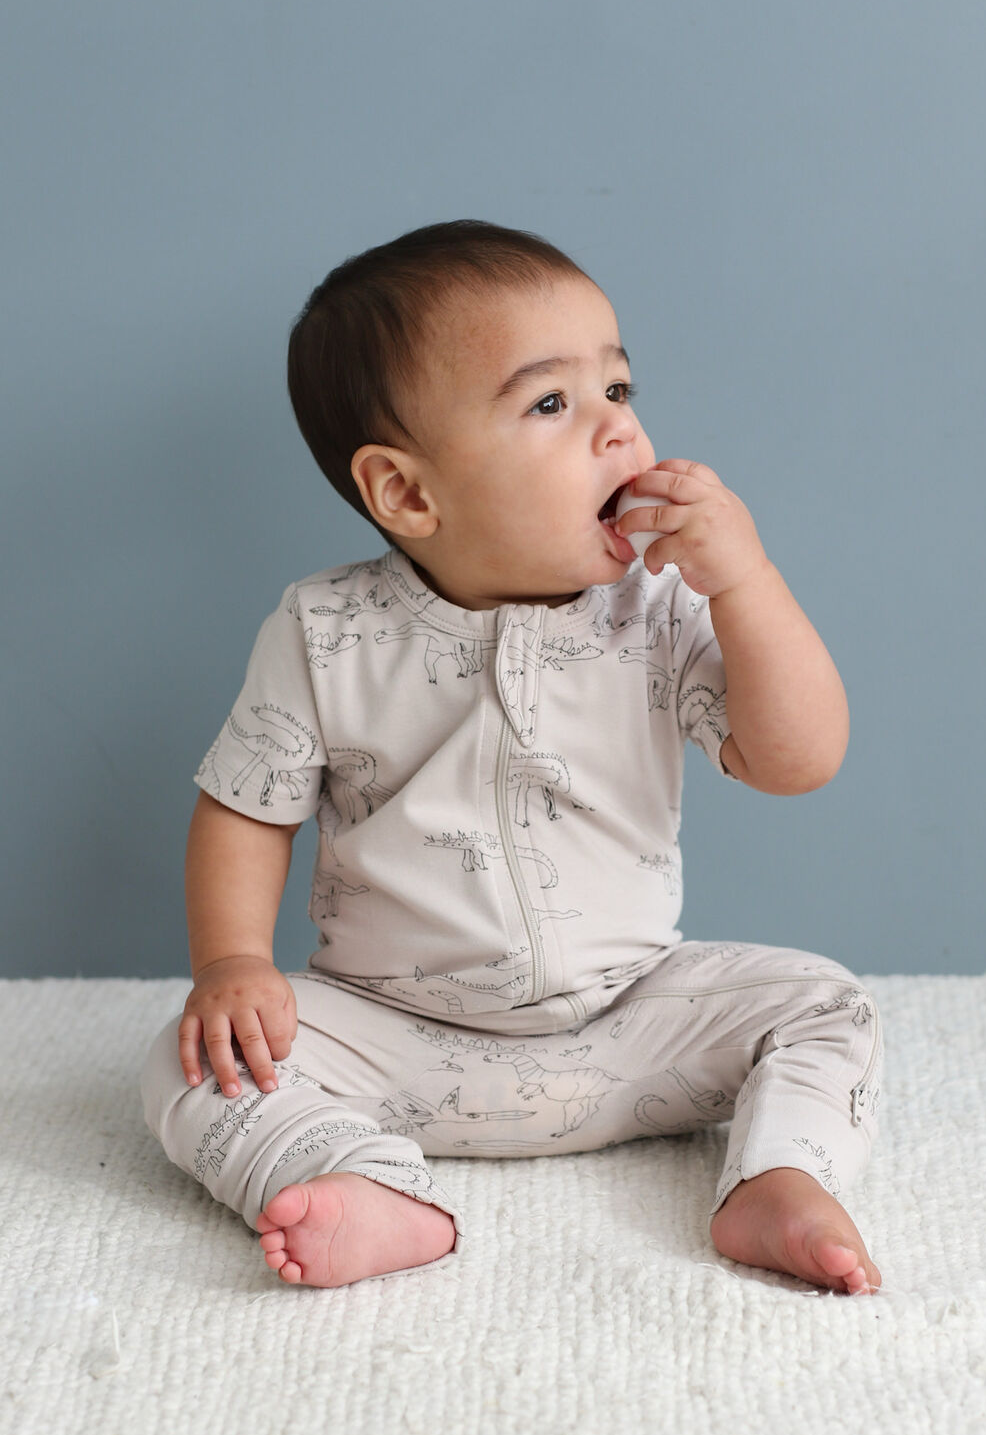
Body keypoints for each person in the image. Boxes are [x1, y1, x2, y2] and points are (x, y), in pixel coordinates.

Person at [139, 219, 883, 1296]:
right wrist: (232, 968)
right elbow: (248, 810)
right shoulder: (326, 631)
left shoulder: (658, 608)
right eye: (551, 404)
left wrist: (747, 582)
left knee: (825, 1002)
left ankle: (776, 1176)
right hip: (393, 1040)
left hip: (631, 1029)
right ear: (407, 494)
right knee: (185, 1056)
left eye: (617, 390)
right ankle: (354, 1178)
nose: (616, 435)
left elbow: (797, 758)